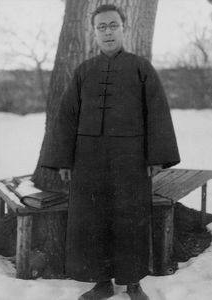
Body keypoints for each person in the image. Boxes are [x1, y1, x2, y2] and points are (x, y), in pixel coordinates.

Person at [41, 4, 180, 300]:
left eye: (112, 25)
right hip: (88, 159)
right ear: (93, 32)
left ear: (123, 28)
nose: (107, 31)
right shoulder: (84, 71)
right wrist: (63, 160)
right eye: (101, 27)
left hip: (131, 159)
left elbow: (157, 112)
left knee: (131, 218)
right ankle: (101, 281)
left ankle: (132, 284)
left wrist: (156, 157)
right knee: (92, 219)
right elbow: (66, 117)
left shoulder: (141, 67)